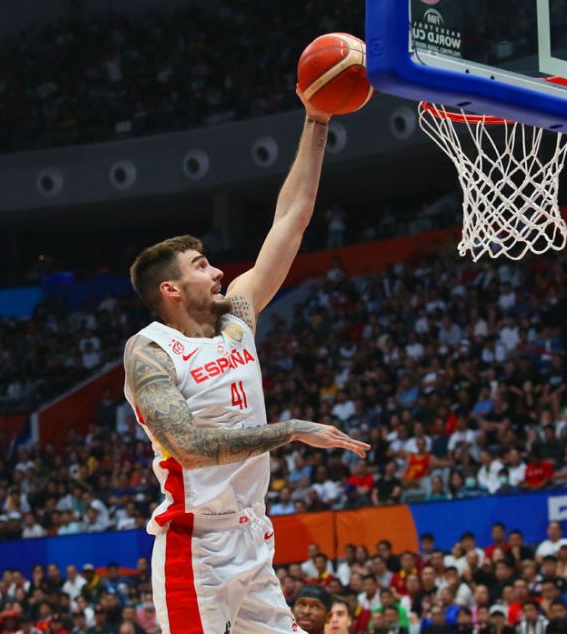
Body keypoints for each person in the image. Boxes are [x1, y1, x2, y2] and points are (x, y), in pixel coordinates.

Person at [124, 89, 370, 634]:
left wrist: (317, 119)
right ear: (171, 288)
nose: (217, 272)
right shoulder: (151, 350)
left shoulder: (238, 318)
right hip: (196, 549)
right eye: (201, 264)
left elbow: (292, 218)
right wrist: (292, 430)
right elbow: (188, 447)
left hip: (253, 540)